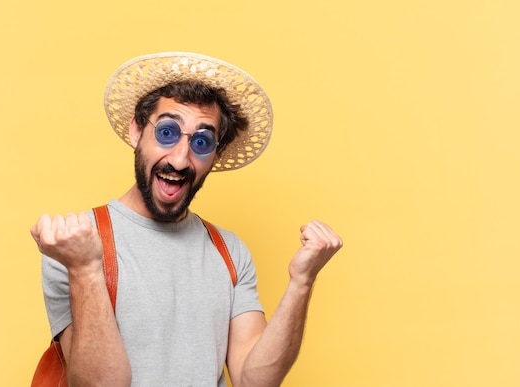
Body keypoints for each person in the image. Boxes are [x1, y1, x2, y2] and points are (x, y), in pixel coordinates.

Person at [30, 52, 343, 387]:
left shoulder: (229, 251)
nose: (180, 160)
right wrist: (85, 269)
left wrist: (302, 282)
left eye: (201, 141)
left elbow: (255, 382)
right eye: (167, 132)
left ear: (216, 155)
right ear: (137, 131)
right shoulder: (75, 243)